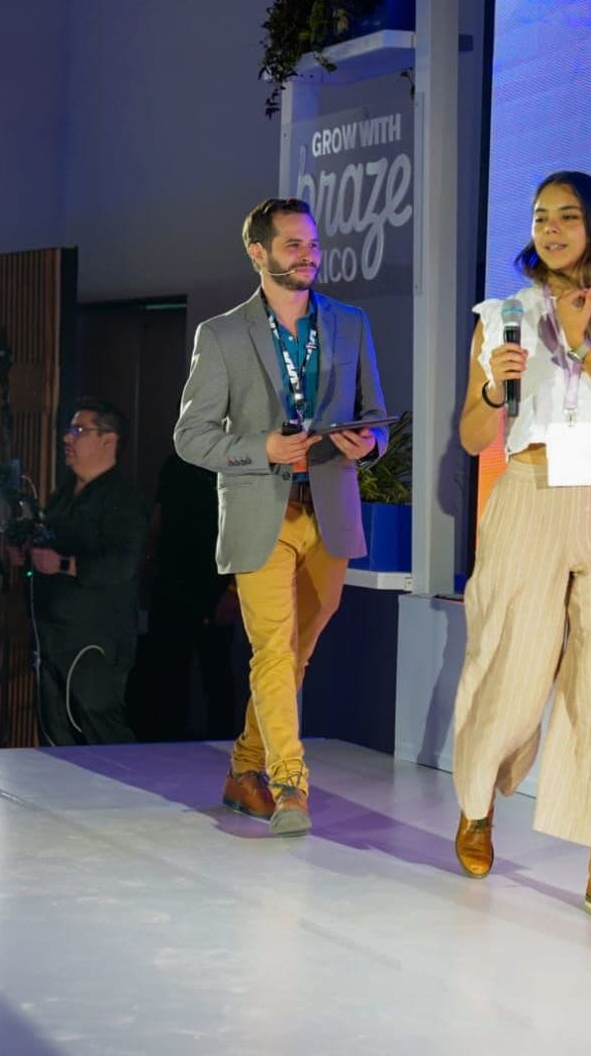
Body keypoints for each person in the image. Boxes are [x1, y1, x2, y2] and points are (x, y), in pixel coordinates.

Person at [450, 172, 591, 921]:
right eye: (540, 216)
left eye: (567, 216)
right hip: (530, 491)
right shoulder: (502, 314)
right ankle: (477, 805)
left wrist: (585, 346)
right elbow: (475, 436)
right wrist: (490, 389)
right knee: (510, 661)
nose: (551, 228)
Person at [174, 197, 389, 836]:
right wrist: (259, 447)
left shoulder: (349, 323)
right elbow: (190, 436)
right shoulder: (221, 334)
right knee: (272, 648)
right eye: (294, 245)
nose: (309, 256)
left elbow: (374, 416)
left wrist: (367, 443)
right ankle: (290, 784)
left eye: (313, 245)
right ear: (259, 253)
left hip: (328, 509)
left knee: (295, 653)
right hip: (259, 510)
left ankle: (244, 771)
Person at [23, 397, 149, 746]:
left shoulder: (123, 498)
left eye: (79, 430)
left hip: (95, 638)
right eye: (69, 429)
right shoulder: (62, 494)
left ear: (108, 440)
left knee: (96, 723)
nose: (68, 438)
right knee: (55, 730)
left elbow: (121, 564)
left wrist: (63, 564)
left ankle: (126, 795)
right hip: (53, 635)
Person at [130, 452, 240, 743]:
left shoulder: (233, 458)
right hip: (170, 577)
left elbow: (242, 528)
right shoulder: (177, 460)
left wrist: (233, 590)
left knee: (216, 672)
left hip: (213, 580)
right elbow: (160, 514)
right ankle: (166, 741)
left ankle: (224, 745)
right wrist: (148, 560)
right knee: (167, 668)